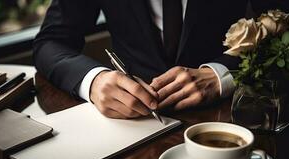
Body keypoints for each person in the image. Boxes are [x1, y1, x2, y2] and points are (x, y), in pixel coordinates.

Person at [33, 0, 288, 119]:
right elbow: (51, 41)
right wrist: (94, 81)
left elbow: (282, 25)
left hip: (232, 114)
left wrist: (223, 73)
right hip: (132, 121)